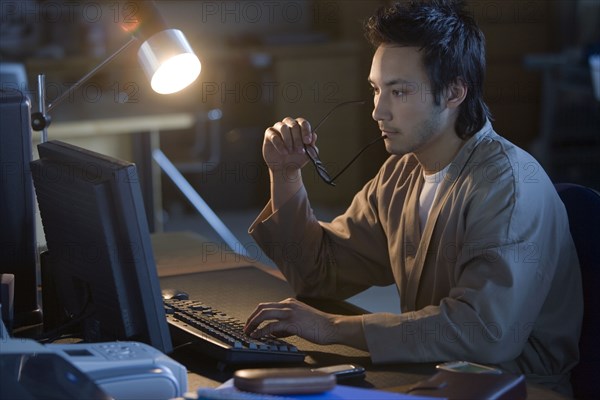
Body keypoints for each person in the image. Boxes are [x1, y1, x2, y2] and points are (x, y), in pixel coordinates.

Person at [243, 0, 583, 394]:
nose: (378, 111)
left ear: (454, 92)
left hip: (516, 388)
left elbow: (485, 333)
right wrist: (285, 176)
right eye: (376, 90)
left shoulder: (508, 185)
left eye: (399, 92)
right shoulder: (402, 173)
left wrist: (332, 327)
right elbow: (320, 275)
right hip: (430, 373)